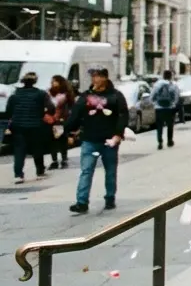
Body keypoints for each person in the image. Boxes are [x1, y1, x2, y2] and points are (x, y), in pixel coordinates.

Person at [65, 68, 129, 214]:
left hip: (109, 140)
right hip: (90, 138)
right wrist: (68, 130)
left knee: (110, 171)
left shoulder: (115, 96)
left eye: (97, 77)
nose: (94, 80)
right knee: (86, 171)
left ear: (105, 78)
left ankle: (110, 197)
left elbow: (122, 115)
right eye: (93, 77)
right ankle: (81, 202)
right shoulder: (86, 96)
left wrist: (118, 134)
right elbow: (76, 113)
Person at [5, 72, 54, 184]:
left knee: (19, 150)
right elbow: (51, 108)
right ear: (35, 81)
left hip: (18, 126)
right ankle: (40, 172)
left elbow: (8, 111)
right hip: (36, 125)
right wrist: (43, 113)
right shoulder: (41, 94)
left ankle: (18, 175)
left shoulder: (14, 95)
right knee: (37, 148)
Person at [47, 75, 74, 170]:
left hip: (61, 120)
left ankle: (64, 159)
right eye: (52, 81)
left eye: (55, 81)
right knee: (52, 141)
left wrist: (65, 118)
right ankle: (54, 160)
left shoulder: (66, 95)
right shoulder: (49, 93)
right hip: (50, 120)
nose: (52, 83)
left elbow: (70, 108)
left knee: (62, 140)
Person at [151, 69, 180, 150]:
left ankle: (160, 142)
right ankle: (169, 141)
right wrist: (173, 103)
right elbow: (177, 96)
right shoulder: (173, 84)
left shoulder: (158, 84)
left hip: (159, 108)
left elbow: (152, 95)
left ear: (163, 76)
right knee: (170, 125)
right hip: (170, 108)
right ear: (171, 76)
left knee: (159, 126)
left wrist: (154, 103)